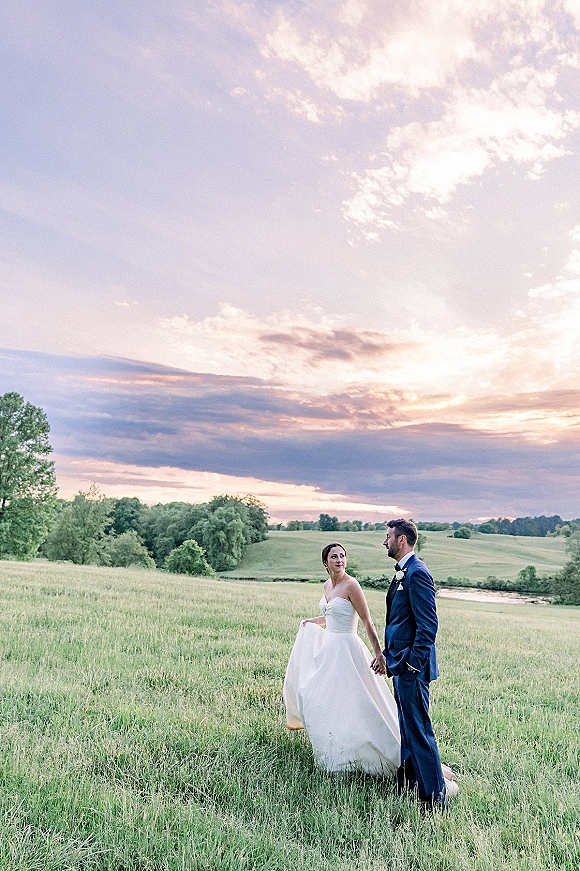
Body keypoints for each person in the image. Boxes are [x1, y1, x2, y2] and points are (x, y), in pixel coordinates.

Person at [283, 542, 401, 775]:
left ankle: (370, 751)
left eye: (342, 556)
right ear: (325, 563)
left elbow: (367, 622)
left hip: (347, 650)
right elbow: (331, 614)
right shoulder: (328, 585)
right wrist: (312, 622)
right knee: (321, 698)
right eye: (334, 557)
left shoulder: (352, 585)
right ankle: (334, 748)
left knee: (354, 702)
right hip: (329, 648)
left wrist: (379, 654)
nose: (339, 560)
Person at [371, 518, 456, 807]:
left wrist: (411, 665)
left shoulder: (417, 573)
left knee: (419, 731)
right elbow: (401, 623)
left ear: (401, 540)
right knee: (406, 726)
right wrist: (388, 656)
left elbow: (428, 626)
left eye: (388, 537)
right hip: (400, 664)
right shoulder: (404, 572)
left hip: (412, 668)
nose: (385, 541)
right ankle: (407, 783)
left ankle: (435, 799)